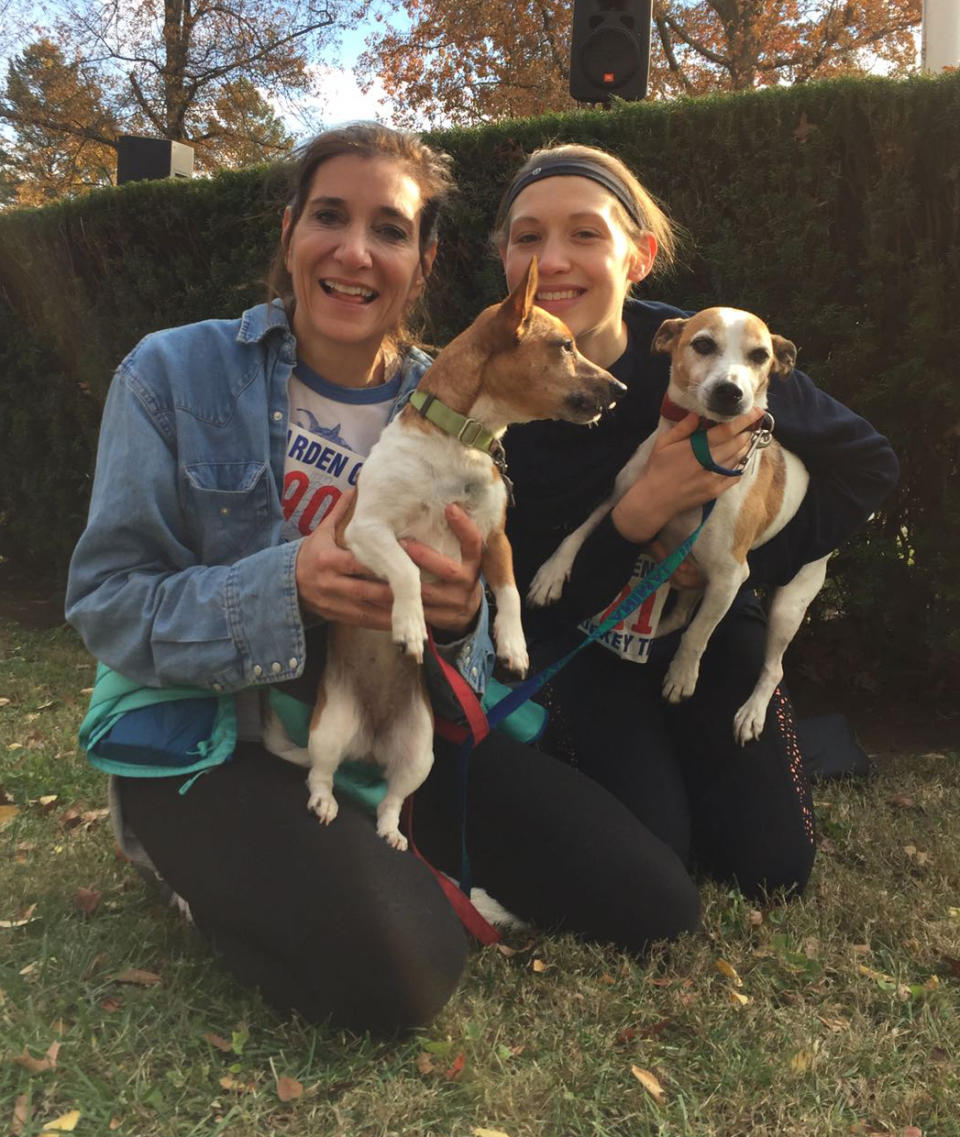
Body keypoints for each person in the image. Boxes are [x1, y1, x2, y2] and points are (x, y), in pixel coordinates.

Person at [68, 124, 722, 1037]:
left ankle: (375, 860)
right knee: (405, 971)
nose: (354, 251)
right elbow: (107, 601)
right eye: (329, 217)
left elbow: (468, 619)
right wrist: (289, 580)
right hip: (216, 730)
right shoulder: (175, 372)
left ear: (423, 262)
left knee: (653, 901)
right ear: (290, 231)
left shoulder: (460, 401)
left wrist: (455, 620)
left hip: (387, 709)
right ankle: (207, 865)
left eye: (391, 229)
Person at [491, 144, 899, 898]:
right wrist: (640, 513)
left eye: (585, 233)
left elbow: (870, 463)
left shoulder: (716, 345)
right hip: (585, 639)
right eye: (526, 237)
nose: (552, 259)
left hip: (706, 614)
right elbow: (539, 586)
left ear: (638, 256)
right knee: (656, 855)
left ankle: (717, 747)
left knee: (774, 867)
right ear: (505, 256)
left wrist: (744, 558)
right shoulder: (496, 383)